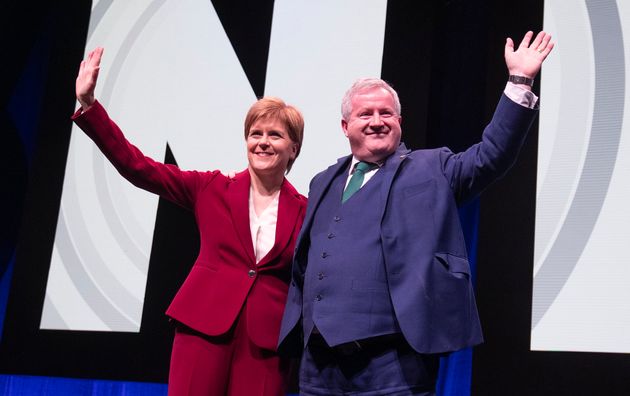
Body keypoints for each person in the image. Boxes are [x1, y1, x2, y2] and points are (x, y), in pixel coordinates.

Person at [277, 31, 554, 395]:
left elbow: (492, 155)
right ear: (346, 127)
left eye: (386, 113)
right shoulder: (322, 181)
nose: (377, 120)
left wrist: (520, 81)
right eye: (365, 114)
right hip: (319, 364)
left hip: (392, 363)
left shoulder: (432, 168)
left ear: (399, 122)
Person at [73, 47, 307, 396]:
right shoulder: (211, 187)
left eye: (275, 136)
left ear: (293, 149)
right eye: (255, 134)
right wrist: (90, 105)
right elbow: (138, 168)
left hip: (266, 344)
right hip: (203, 326)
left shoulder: (306, 209)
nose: (263, 143)